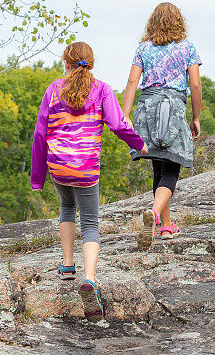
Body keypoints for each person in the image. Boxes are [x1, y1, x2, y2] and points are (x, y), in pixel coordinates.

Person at [31, 42, 148, 322]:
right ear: (91, 63)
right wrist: (139, 144)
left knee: (66, 209)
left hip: (58, 166)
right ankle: (90, 279)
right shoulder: (102, 89)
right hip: (85, 168)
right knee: (91, 223)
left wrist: (38, 178)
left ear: (66, 63)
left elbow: (39, 133)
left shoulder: (53, 89)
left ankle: (68, 266)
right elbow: (119, 125)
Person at [121, 2, 202, 250]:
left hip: (147, 108)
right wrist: (196, 117)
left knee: (159, 165)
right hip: (174, 108)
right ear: (180, 22)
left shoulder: (143, 48)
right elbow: (196, 85)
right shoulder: (187, 48)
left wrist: (125, 115)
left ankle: (166, 226)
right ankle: (155, 215)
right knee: (172, 168)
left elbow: (133, 81)